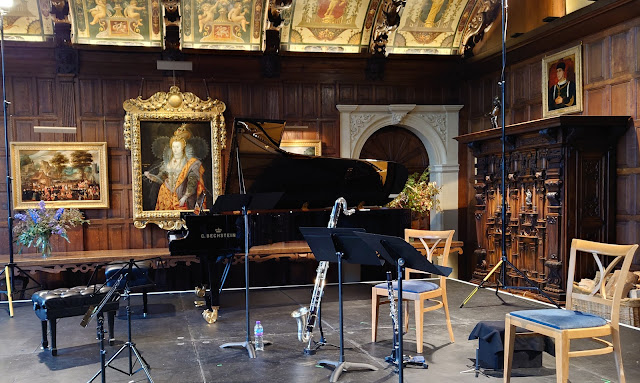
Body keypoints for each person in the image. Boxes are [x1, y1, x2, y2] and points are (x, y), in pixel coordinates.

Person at [144, 126, 207, 211]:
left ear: (183, 148)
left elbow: (192, 182)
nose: (175, 149)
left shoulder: (190, 163)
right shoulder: (167, 162)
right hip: (165, 194)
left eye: (177, 147)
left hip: (181, 195)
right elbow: (161, 179)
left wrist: (185, 197)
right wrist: (150, 176)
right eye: (173, 147)